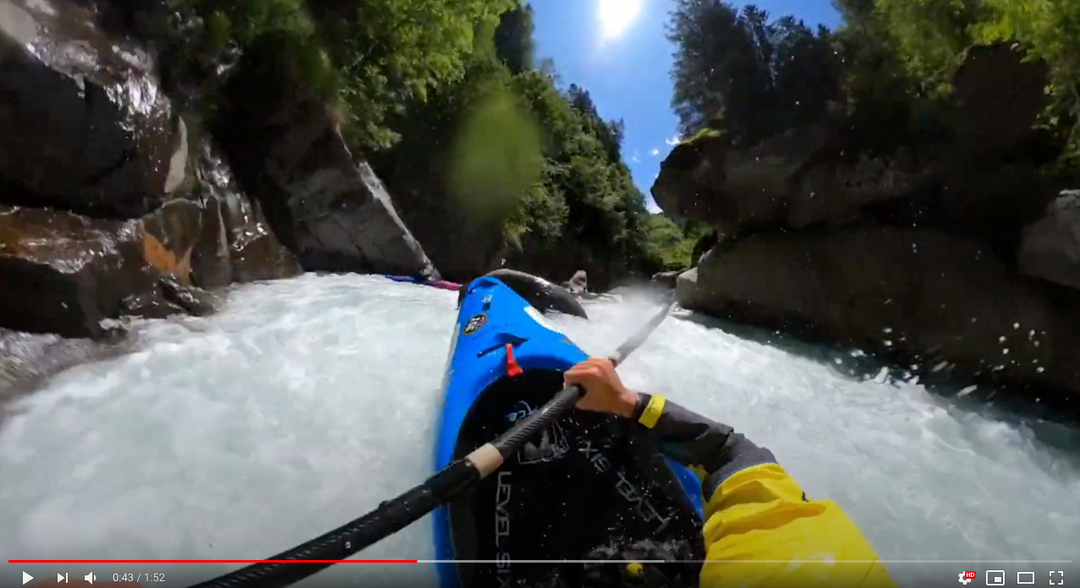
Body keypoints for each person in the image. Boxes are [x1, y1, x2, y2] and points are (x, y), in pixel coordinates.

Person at [564, 358, 899, 588]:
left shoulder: (811, 546)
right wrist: (626, 401)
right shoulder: (789, 545)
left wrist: (627, 401)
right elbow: (727, 453)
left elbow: (726, 450)